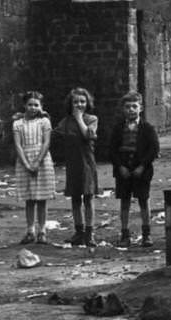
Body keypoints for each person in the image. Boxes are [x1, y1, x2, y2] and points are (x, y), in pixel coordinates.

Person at [106, 91, 159, 248]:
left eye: (134, 106)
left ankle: (146, 234)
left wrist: (142, 166)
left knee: (143, 200)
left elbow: (154, 149)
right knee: (124, 201)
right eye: (127, 107)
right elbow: (111, 150)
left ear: (140, 108)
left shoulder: (147, 128)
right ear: (123, 109)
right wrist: (119, 166)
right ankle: (124, 233)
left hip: (141, 169)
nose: (131, 110)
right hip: (123, 168)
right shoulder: (117, 128)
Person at [55, 87, 99, 247]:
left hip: (87, 163)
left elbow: (89, 135)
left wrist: (79, 118)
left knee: (88, 197)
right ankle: (78, 231)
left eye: (82, 101)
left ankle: (90, 232)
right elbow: (55, 135)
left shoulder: (91, 119)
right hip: (73, 164)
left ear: (87, 103)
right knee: (75, 198)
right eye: (75, 102)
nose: (79, 104)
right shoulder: (65, 122)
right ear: (70, 104)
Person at [11, 91, 53, 244]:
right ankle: (30, 230)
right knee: (29, 199)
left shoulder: (45, 122)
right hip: (24, 161)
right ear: (24, 105)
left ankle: (42, 230)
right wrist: (27, 164)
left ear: (41, 107)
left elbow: (46, 143)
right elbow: (18, 145)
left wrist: (37, 162)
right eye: (30, 104)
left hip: (42, 160)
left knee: (42, 198)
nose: (33, 108)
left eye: (36, 105)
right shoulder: (17, 124)